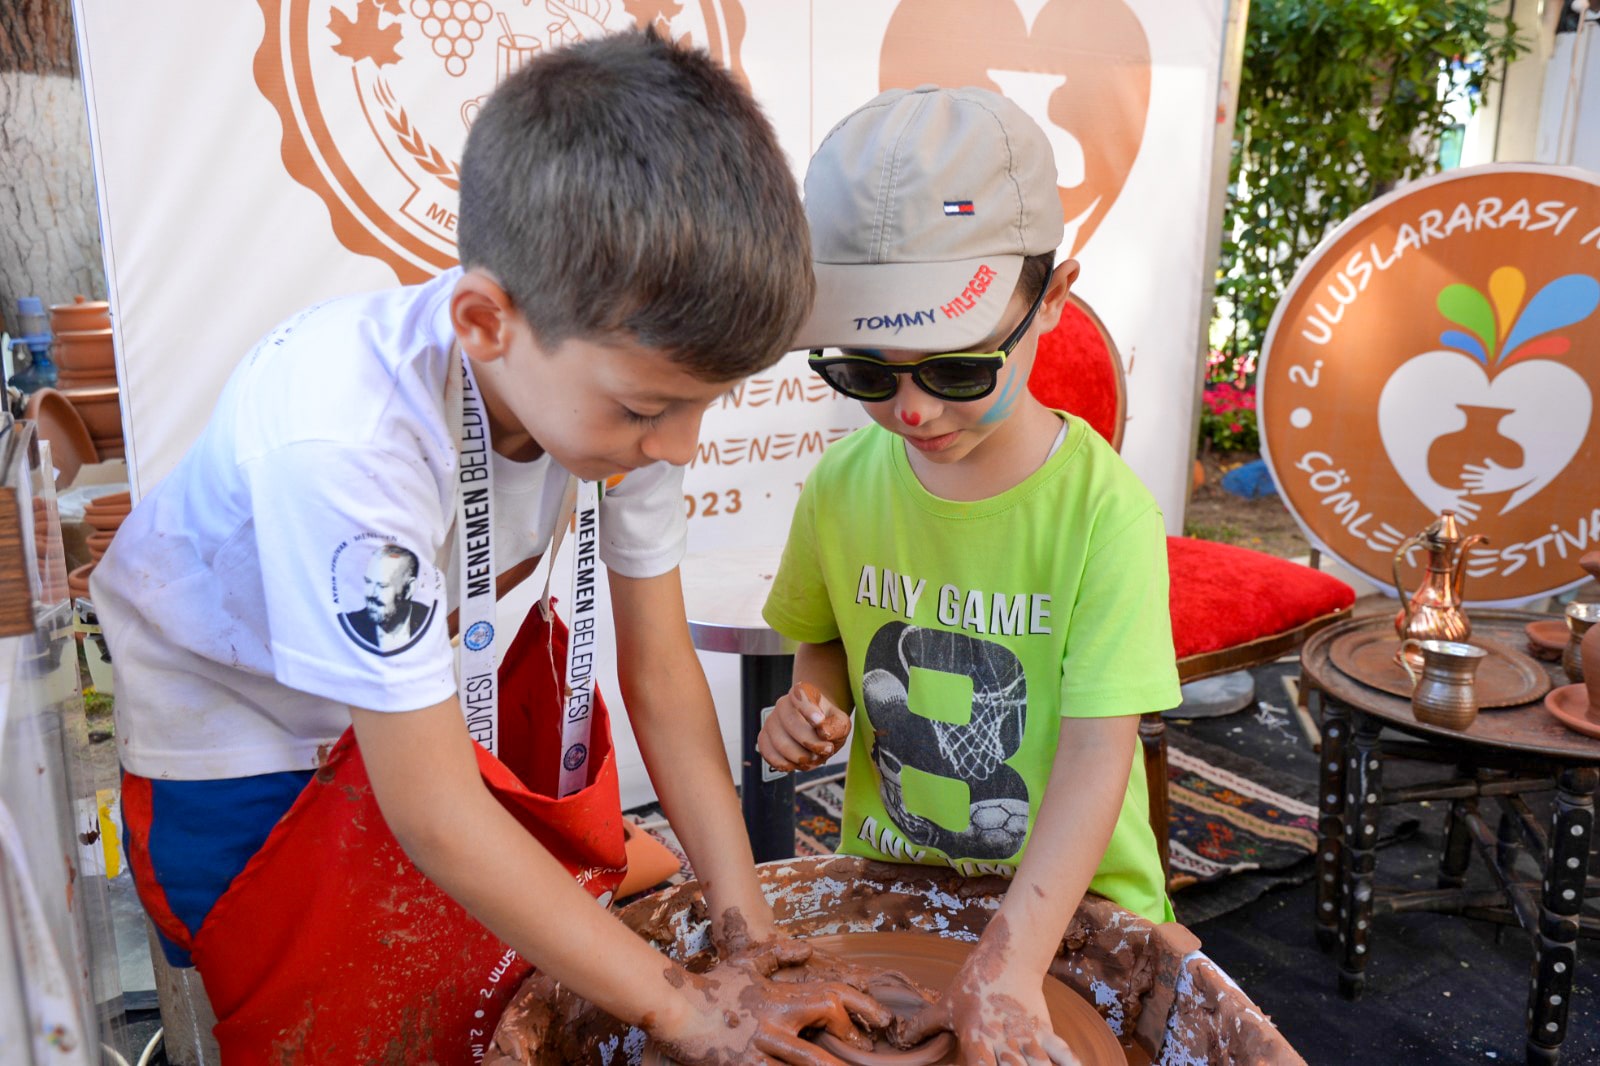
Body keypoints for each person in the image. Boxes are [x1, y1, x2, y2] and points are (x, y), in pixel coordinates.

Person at [93, 30, 887, 1065]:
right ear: (485, 320)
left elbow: (659, 671)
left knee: (507, 988)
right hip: (251, 753)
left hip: (426, 699)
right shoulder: (346, 437)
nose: (679, 446)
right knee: (345, 1031)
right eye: (651, 410)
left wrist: (752, 945)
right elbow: (432, 814)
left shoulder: (625, 386)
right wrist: (689, 1013)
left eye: (704, 409)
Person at [757, 86, 1181, 1064]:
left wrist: (1010, 961)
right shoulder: (842, 484)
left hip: (1071, 913)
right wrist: (810, 702)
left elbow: (1092, 756)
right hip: (895, 880)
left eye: (953, 368)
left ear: (1054, 298)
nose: (909, 409)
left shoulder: (1101, 514)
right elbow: (823, 633)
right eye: (864, 371)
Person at [338, 543, 436, 654]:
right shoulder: (351, 625)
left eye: (382, 586)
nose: (371, 594)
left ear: (409, 588)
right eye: (368, 582)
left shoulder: (430, 621)